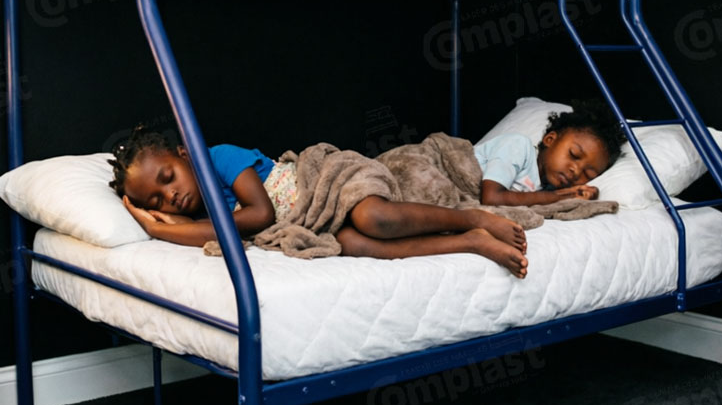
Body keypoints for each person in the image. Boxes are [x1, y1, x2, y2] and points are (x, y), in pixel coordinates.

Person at [110, 126, 529, 277]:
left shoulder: (218, 157)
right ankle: (470, 242)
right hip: (316, 220)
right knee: (354, 245)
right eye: (158, 200)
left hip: (328, 182)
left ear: (185, 154)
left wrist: (162, 229)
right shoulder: (202, 213)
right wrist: (157, 227)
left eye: (168, 178)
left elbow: (261, 215)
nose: (171, 195)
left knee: (375, 218)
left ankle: (469, 217)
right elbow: (215, 231)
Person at [474, 101, 626, 207]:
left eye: (588, 174)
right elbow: (491, 198)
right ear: (549, 139)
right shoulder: (518, 146)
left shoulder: (546, 189)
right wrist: (561, 196)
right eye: (573, 154)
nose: (576, 171)